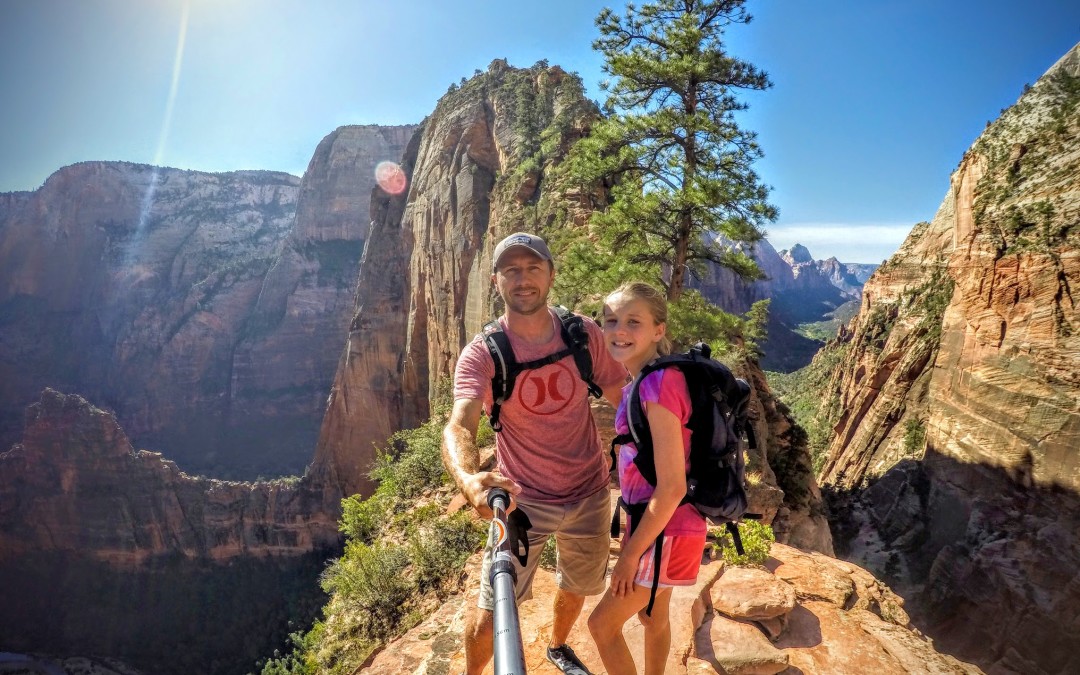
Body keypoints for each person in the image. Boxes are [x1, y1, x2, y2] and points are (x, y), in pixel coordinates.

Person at [442, 232, 628, 675]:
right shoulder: (482, 354)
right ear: (495, 280)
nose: (523, 279)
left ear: (550, 274)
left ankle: (558, 646)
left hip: (591, 493)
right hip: (523, 502)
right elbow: (459, 424)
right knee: (492, 612)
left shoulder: (582, 334)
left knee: (579, 585)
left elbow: (623, 393)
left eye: (532, 268)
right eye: (511, 270)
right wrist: (469, 480)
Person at [588, 281, 708, 675]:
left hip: (666, 530)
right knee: (653, 619)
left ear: (659, 330)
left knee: (601, 626)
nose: (619, 330)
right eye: (611, 320)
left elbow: (672, 486)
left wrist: (628, 555)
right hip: (658, 526)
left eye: (633, 322)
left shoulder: (657, 384)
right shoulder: (641, 381)